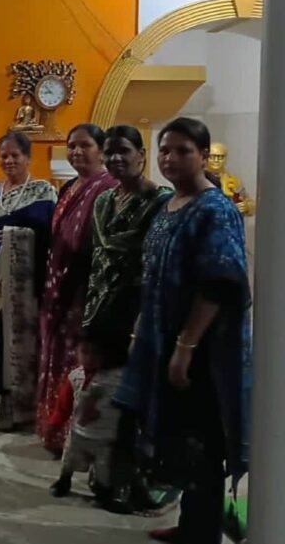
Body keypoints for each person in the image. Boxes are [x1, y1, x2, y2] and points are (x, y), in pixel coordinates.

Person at [115, 117, 251, 544]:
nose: (170, 159)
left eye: (182, 151)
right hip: (163, 339)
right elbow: (152, 274)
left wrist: (185, 346)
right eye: (164, 150)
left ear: (203, 155)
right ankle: (191, 521)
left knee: (201, 440)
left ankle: (202, 532)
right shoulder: (170, 204)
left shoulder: (215, 209)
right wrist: (142, 331)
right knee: (178, 436)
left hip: (203, 351)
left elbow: (218, 283)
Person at [81, 125, 173, 514]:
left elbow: (160, 265)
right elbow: (97, 261)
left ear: (141, 155)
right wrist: (86, 320)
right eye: (110, 152)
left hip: (140, 317)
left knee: (135, 404)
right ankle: (104, 478)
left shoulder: (161, 202)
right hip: (102, 315)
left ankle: (136, 483)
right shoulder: (104, 201)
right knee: (106, 400)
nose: (116, 158)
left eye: (124, 151)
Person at [36, 124, 118, 454]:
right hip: (57, 286)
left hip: (83, 290)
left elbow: (96, 246)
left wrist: (76, 287)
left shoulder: (108, 188)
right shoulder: (70, 187)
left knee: (77, 361)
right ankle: (52, 427)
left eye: (85, 145)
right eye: (71, 146)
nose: (76, 152)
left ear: (102, 150)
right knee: (55, 354)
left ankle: (75, 435)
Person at [0, 132, 57, 431]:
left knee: (23, 340)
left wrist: (14, 236)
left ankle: (24, 410)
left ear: (28, 157)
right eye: (4, 156)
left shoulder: (44, 192)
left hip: (28, 283)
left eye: (15, 155)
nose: (9, 160)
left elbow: (52, 237)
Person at [48, 335, 126, 502]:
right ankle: (64, 480)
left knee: (103, 464)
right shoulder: (75, 377)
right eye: (85, 352)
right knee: (70, 458)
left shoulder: (116, 378)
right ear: (76, 352)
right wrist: (54, 424)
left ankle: (103, 491)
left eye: (95, 353)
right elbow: (63, 405)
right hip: (78, 431)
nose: (90, 358)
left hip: (106, 433)